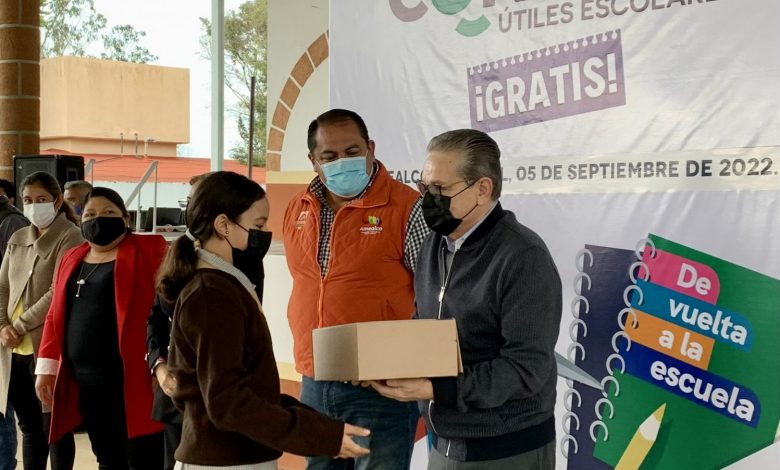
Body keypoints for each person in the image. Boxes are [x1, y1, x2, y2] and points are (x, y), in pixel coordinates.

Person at [368, 129, 562, 469]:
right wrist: (386, 363)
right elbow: (425, 324)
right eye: (424, 187)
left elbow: (526, 369)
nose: (427, 199)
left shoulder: (523, 256)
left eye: (440, 189)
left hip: (504, 448)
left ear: (483, 189)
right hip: (444, 440)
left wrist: (437, 389)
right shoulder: (435, 242)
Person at [157, 171, 368, 468]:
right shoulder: (212, 295)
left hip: (238, 453)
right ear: (223, 225)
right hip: (228, 460)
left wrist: (322, 429)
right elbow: (226, 401)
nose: (265, 232)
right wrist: (316, 434)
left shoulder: (222, 284)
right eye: (258, 225)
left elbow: (245, 390)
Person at [283, 108, 429, 469]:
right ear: (313, 161)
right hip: (315, 381)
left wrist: (396, 362)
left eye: (352, 152)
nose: (342, 162)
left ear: (370, 149)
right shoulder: (298, 208)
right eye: (329, 156)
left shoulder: (407, 207)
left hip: (380, 388)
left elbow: (434, 296)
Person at [145, 170, 272, 470]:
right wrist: (159, 365)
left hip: (219, 402)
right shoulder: (183, 257)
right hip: (182, 396)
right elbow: (156, 316)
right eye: (190, 201)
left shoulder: (243, 259)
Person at [34, 187, 167, 469]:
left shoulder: (148, 250)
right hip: (86, 381)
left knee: (143, 456)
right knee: (106, 457)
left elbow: (167, 310)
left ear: (126, 219)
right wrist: (46, 368)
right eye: (90, 214)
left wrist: (161, 361)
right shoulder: (72, 257)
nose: (98, 219)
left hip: (133, 378)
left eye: (108, 212)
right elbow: (54, 314)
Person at [0, 172, 82, 470]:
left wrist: (19, 325)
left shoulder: (71, 236)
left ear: (57, 201)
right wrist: (2, 326)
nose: (34, 206)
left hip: (47, 347)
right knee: (29, 428)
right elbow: (2, 286)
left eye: (42, 199)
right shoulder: (18, 237)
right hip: (13, 349)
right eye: (28, 200)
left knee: (55, 428)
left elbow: (57, 291)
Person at [0, 178, 27, 470]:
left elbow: (11, 282)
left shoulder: (12, 222)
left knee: (2, 411)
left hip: (10, 330)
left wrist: (5, 323)